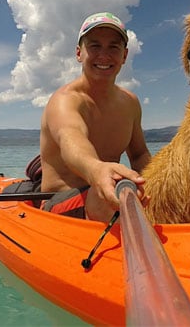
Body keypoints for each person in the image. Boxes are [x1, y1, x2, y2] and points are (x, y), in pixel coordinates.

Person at [39, 12, 151, 222]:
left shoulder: (130, 102)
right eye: (95, 46)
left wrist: (154, 181)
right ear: (79, 53)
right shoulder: (65, 101)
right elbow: (70, 139)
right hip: (61, 202)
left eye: (113, 47)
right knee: (103, 197)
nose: (104, 55)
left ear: (124, 56)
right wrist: (97, 169)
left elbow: (138, 154)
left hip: (107, 191)